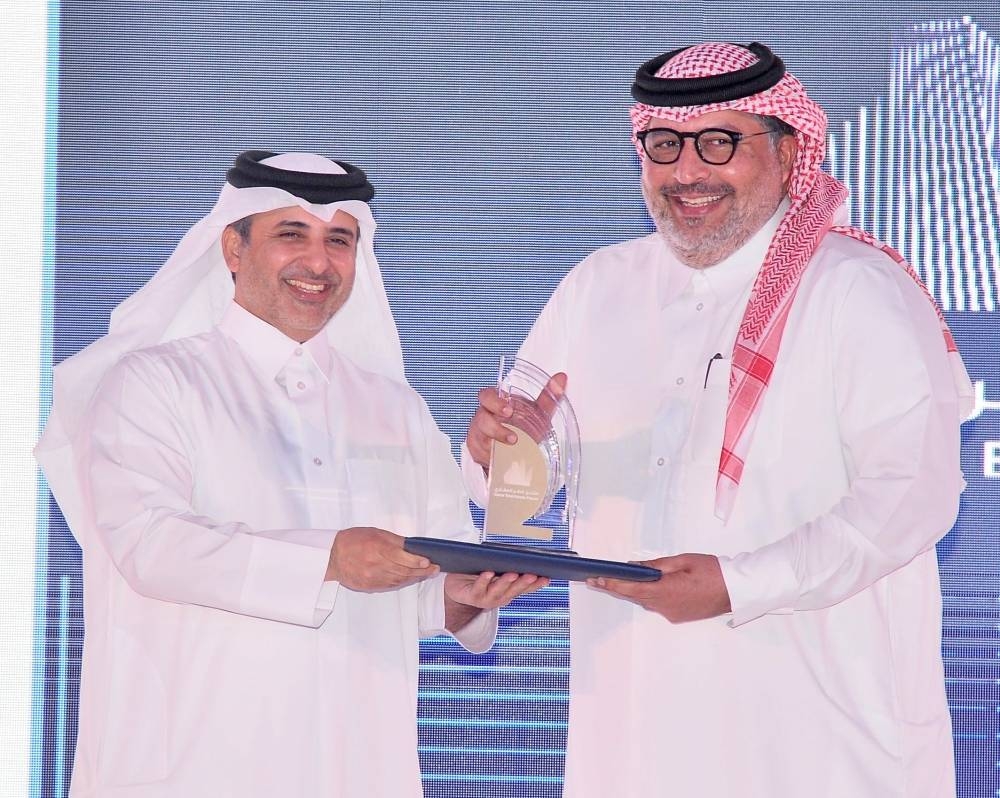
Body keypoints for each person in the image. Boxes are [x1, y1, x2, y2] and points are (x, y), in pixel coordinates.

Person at [463, 42, 973, 797]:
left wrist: (740, 584)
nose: (687, 172)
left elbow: (912, 495)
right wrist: (502, 455)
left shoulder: (857, 290)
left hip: (820, 743)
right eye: (664, 145)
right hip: (634, 740)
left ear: (786, 151)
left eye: (719, 143)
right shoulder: (597, 287)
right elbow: (521, 486)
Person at [35, 150, 544, 797]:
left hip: (359, 772)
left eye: (339, 240)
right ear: (233, 248)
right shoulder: (152, 384)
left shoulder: (397, 410)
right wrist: (329, 559)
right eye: (291, 233)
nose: (319, 262)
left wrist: (464, 596)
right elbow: (150, 545)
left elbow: (422, 588)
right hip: (198, 771)